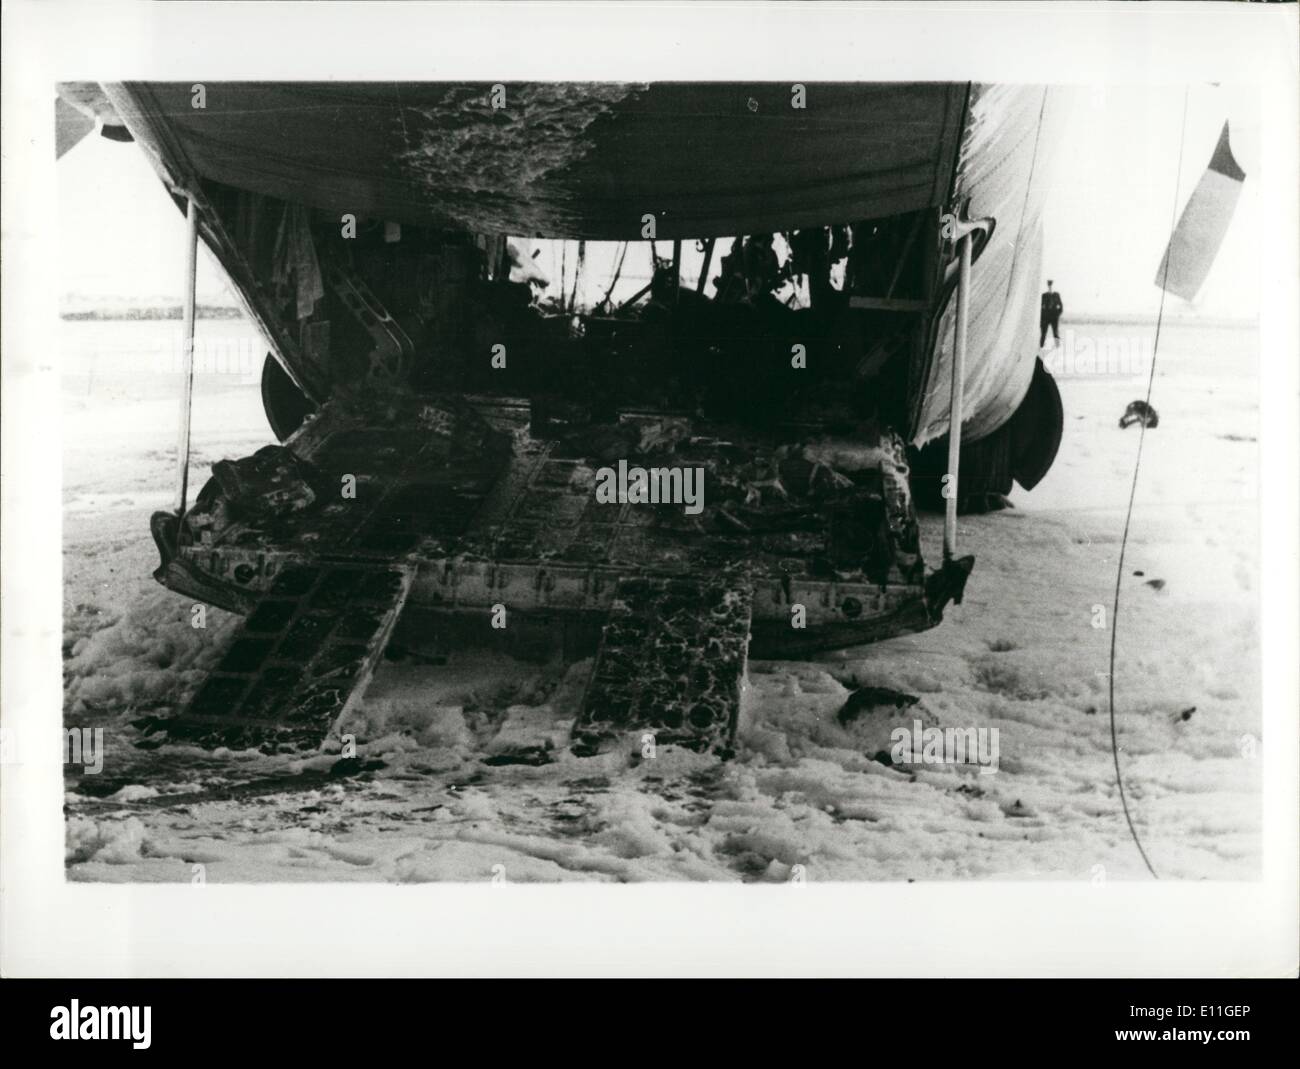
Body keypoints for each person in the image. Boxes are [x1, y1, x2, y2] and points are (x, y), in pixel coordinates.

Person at [1040, 280, 1063, 348]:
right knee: (1043, 333)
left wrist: (1057, 314)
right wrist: (1043, 316)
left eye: (1051, 284)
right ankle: (1041, 346)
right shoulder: (1044, 295)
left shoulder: (1056, 295)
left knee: (1055, 333)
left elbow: (1060, 306)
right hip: (1046, 317)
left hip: (1054, 317)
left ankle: (1058, 346)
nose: (1050, 286)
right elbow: (1041, 306)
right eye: (1049, 284)